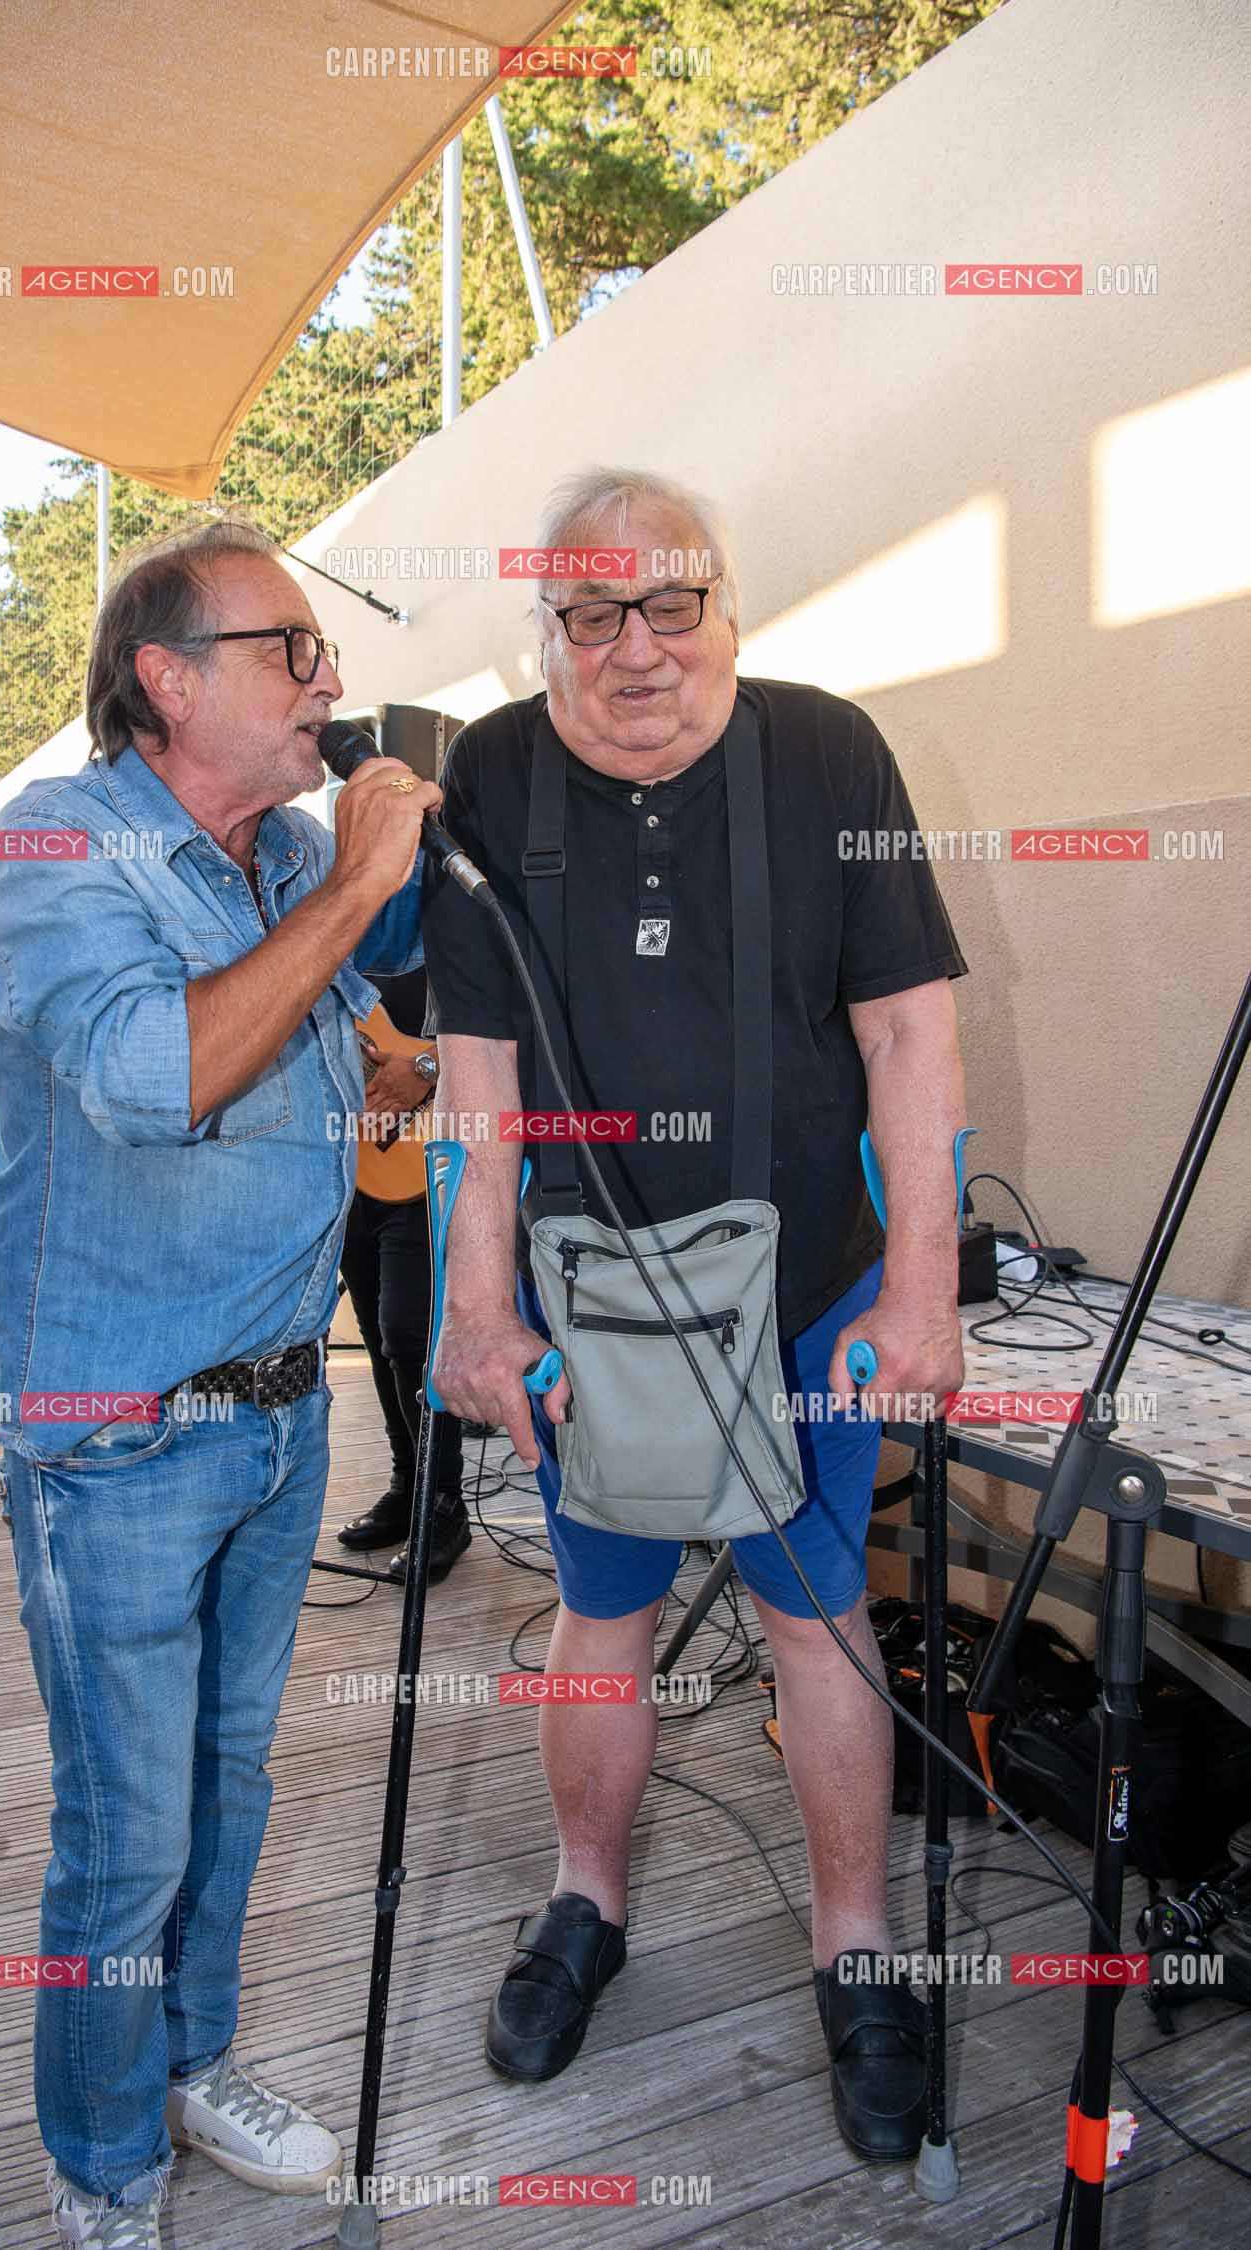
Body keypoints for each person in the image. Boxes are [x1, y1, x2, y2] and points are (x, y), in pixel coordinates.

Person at [424, 467, 968, 2164]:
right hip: (593, 1304)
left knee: (818, 1615)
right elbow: (480, 1082)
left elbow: (910, 1039)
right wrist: (479, 1301)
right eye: (594, 617)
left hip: (808, 1288)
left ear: (724, 603)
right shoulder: (493, 774)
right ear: (551, 630)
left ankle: (855, 1944)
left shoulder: (829, 754)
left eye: (674, 605)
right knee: (606, 1616)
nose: (638, 651)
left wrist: (927, 1284)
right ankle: (585, 1903)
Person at [0, 513, 442, 2250]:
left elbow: (382, 1019)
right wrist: (362, 895)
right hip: (121, 1435)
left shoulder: (293, 845)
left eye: (321, 650)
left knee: (232, 1784)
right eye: (288, 648)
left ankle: (189, 2058)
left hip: (283, 1414)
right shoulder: (56, 847)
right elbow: (156, 1075)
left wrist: (393, 1043)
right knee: (125, 1830)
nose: (326, 675)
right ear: (166, 679)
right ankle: (103, 2166)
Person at [336, 965, 470, 1579]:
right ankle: (404, 1486)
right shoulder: (312, 917)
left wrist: (423, 1069)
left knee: (408, 1334)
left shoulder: (441, 909)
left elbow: (494, 1037)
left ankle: (442, 1506)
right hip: (347, 1164)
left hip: (422, 1166)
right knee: (373, 1333)